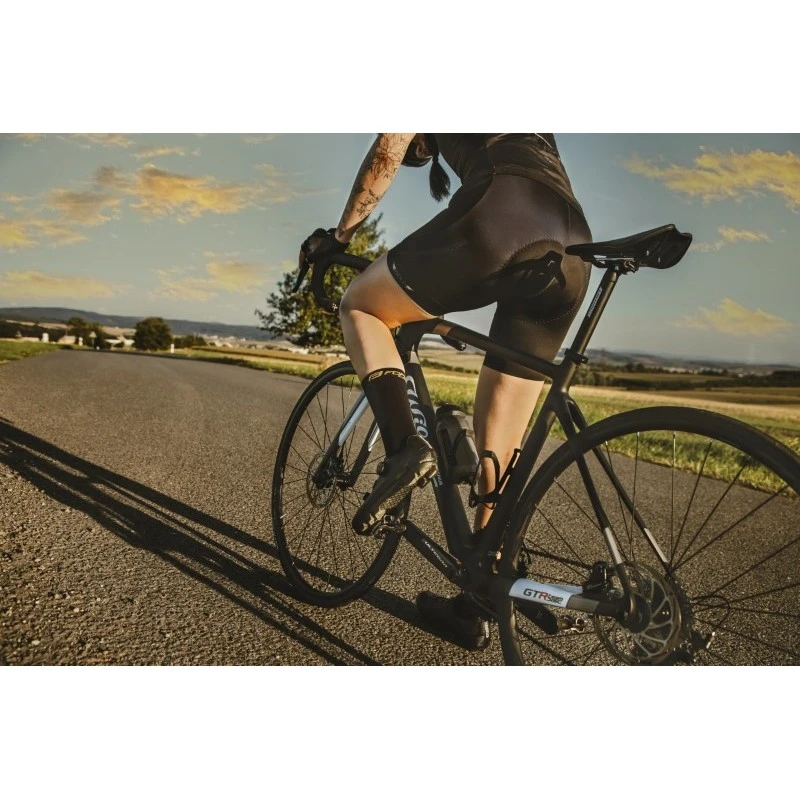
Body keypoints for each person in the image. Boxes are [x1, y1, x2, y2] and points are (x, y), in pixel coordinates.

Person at [299, 133, 591, 649]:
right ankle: (479, 595)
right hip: (572, 244)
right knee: (499, 440)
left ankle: (405, 450)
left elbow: (389, 145)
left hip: (506, 208)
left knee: (362, 304)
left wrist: (338, 238)